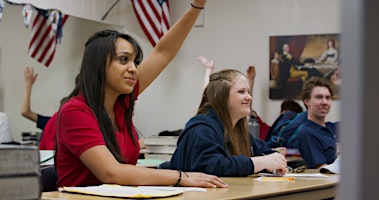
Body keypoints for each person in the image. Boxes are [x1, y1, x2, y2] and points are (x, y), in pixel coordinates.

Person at [55, 0, 227, 189]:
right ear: (98, 64)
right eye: (123, 60)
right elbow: (111, 172)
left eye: (135, 62)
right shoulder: (75, 111)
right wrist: (181, 177)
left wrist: (196, 6)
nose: (133, 69)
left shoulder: (121, 103)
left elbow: (164, 51)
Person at [169, 69, 288, 177]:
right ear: (221, 96)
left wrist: (274, 161)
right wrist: (261, 162)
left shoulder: (237, 130)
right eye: (241, 92)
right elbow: (210, 167)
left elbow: (262, 151)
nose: (249, 97)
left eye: (249, 92)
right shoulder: (202, 128)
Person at [296, 77, 339, 169]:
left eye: (328, 98)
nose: (324, 102)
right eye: (319, 97)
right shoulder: (307, 133)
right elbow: (323, 170)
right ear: (307, 101)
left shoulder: (333, 127)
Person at [21, 67, 53, 131]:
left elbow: (25, 112)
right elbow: (25, 112)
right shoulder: (54, 122)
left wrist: (28, 84)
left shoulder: (54, 122)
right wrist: (28, 84)